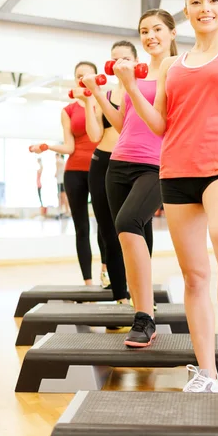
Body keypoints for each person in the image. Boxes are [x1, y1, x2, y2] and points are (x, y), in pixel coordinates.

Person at [116, 0, 218, 426]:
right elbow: (161, 124)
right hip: (175, 171)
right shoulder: (171, 66)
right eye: (195, 1)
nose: (205, 7)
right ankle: (206, 371)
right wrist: (128, 85)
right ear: (188, 11)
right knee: (195, 275)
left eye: (213, 0)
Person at [82, 9, 177, 344]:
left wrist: (131, 85)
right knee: (126, 236)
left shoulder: (174, 71)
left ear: (172, 33)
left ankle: (144, 317)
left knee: (126, 222)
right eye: (144, 30)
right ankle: (142, 308)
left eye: (156, 29)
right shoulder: (133, 74)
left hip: (155, 164)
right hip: (119, 164)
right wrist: (98, 92)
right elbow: (123, 124)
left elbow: (162, 122)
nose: (150, 35)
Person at [72, 41, 142, 303]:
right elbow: (94, 134)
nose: (119, 64)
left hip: (135, 165)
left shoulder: (144, 91)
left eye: (125, 58)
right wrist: (90, 101)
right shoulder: (105, 94)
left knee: (137, 231)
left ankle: (139, 295)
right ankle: (120, 296)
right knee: (108, 232)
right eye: (114, 60)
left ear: (136, 61)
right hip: (102, 163)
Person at [30, 62, 107, 286]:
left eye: (86, 75)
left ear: (95, 76)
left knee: (104, 224)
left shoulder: (101, 103)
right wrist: (47, 147)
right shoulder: (68, 111)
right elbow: (70, 147)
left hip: (99, 168)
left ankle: (106, 272)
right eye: (78, 76)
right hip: (74, 172)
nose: (82, 79)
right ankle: (88, 283)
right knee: (81, 228)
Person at [55, 153, 70, 217]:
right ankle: (65, 211)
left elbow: (57, 171)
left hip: (60, 181)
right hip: (64, 180)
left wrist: (55, 174)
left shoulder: (58, 161)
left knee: (62, 196)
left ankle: (64, 211)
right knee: (63, 196)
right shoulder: (63, 161)